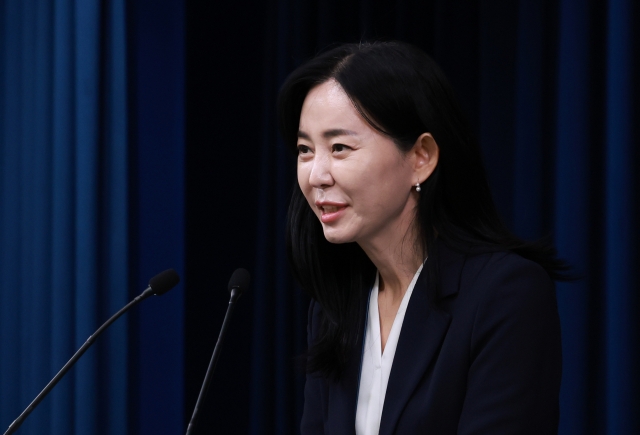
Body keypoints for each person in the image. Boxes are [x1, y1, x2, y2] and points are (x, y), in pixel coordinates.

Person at [278, 41, 566, 435]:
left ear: (421, 158)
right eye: (305, 150)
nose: (316, 175)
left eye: (340, 147)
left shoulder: (505, 294)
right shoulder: (332, 308)